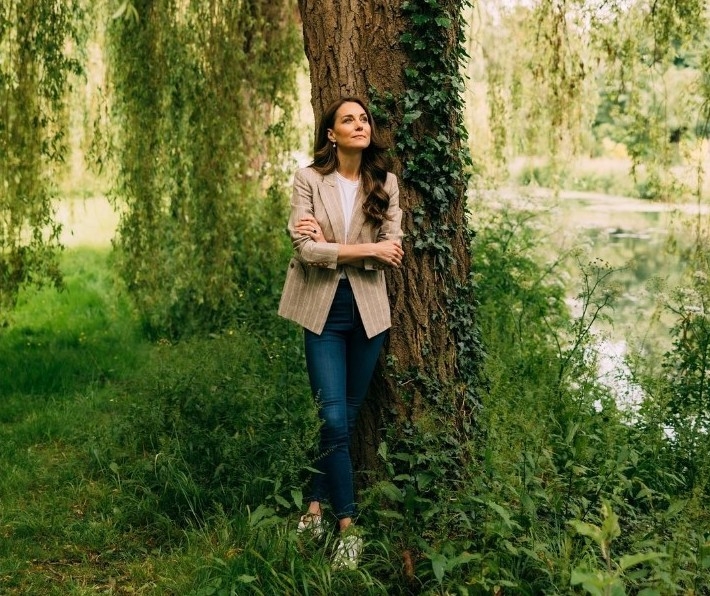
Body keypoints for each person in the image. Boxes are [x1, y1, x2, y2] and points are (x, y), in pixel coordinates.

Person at [278, 96, 404, 569]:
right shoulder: (309, 179)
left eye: (364, 118)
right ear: (331, 133)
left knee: (345, 419)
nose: (359, 124)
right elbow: (306, 251)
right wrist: (358, 250)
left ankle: (313, 507)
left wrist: (335, 246)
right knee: (331, 418)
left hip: (369, 312)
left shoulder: (385, 183)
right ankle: (348, 526)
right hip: (322, 310)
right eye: (348, 119)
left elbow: (393, 249)